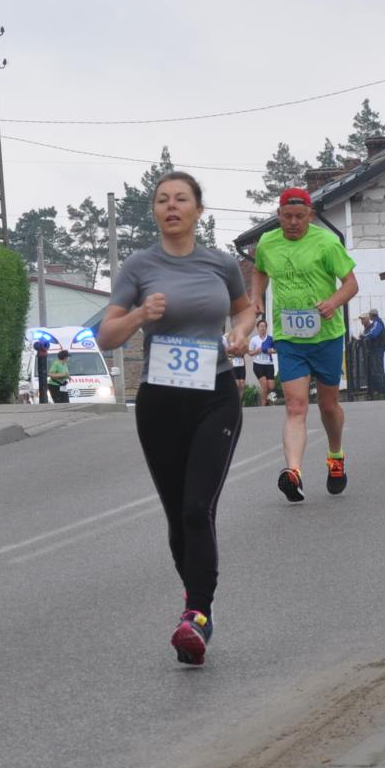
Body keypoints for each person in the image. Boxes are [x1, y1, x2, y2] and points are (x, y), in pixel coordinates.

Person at [98, 171, 256, 667]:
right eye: (162, 199)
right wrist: (140, 315)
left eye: (181, 199)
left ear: (198, 210)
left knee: (196, 508)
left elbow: (246, 310)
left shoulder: (221, 263)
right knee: (176, 515)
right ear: (154, 211)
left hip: (215, 396)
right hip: (161, 402)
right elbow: (106, 335)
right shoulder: (139, 266)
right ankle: (193, 609)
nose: (171, 206)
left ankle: (197, 615)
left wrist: (241, 333)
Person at [251, 187, 360, 502]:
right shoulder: (267, 242)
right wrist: (256, 295)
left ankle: (335, 457)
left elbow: (351, 284)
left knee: (328, 405)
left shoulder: (326, 242)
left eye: (300, 216)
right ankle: (294, 473)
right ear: (278, 215)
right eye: (287, 217)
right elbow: (259, 270)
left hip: (326, 336)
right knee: (295, 406)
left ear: (310, 215)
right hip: (289, 338)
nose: (293, 223)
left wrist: (333, 302)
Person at [357, 308, 385, 393]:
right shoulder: (377, 322)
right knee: (377, 368)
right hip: (377, 348)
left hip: (378, 347)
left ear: (370, 315)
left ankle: (382, 390)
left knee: (378, 368)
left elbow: (373, 333)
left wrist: (364, 336)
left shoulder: (377, 322)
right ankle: (380, 390)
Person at [249, 319, 277, 406]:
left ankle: (266, 400)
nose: (262, 328)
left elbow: (276, 350)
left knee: (271, 386)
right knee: (264, 385)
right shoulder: (254, 339)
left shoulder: (270, 339)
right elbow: (250, 353)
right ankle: (263, 404)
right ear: (257, 328)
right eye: (261, 326)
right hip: (258, 364)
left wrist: (271, 351)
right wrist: (257, 351)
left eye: (264, 326)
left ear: (266, 328)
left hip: (269, 364)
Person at [34, 337, 51, 404]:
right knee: (42, 380)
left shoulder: (43, 352)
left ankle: (44, 400)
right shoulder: (41, 352)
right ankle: (43, 400)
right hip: (41, 357)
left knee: (43, 380)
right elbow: (36, 346)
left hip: (42, 356)